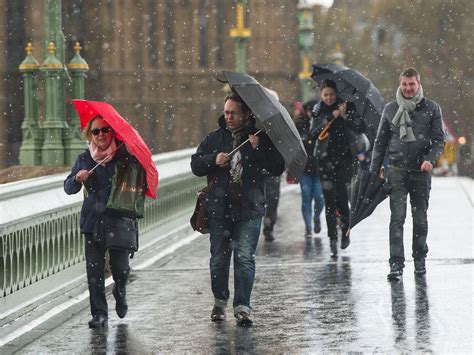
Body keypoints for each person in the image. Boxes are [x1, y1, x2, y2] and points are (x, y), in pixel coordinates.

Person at [191, 91, 285, 326]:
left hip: (249, 209)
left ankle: (243, 306)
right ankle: (220, 301)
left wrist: (258, 149)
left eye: (234, 113)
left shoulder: (261, 138)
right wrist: (214, 159)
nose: (229, 117)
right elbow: (195, 165)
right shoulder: (214, 139)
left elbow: (277, 168)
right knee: (218, 260)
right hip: (219, 210)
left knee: (244, 258)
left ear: (247, 114)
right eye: (226, 112)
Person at [370, 67, 445, 280]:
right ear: (400, 84)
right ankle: (396, 264)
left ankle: (420, 259)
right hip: (397, 171)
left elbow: (439, 139)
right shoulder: (390, 109)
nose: (408, 88)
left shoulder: (432, 108)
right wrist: (374, 171)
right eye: (404, 84)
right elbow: (380, 142)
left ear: (418, 84)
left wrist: (430, 159)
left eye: (412, 84)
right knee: (397, 218)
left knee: (420, 218)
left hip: (421, 173)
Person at [64, 116, 134, 328]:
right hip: (92, 222)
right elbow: (68, 188)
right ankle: (99, 314)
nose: (101, 134)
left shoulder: (123, 156)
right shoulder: (84, 159)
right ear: (90, 135)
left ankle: (120, 290)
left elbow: (136, 180)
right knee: (94, 272)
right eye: (96, 132)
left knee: (120, 269)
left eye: (105, 130)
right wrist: (77, 178)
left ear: (112, 132)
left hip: (118, 220)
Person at [310, 79, 366, 257]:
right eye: (325, 95)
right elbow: (313, 134)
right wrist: (329, 117)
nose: (328, 98)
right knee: (329, 202)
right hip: (324, 160)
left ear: (337, 94)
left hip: (345, 160)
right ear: (321, 95)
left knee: (342, 199)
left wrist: (345, 117)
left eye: (331, 94)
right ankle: (332, 238)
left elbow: (360, 128)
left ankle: (345, 232)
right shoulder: (318, 110)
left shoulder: (348, 107)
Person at [293, 100, 325, 239]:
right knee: (306, 196)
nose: (311, 114)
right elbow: (295, 146)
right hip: (304, 168)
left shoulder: (324, 124)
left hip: (320, 168)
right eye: (309, 111)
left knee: (319, 198)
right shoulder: (300, 125)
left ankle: (317, 216)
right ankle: (308, 228)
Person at [262, 175, 281, 241]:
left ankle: (268, 228)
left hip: (273, 174)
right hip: (258, 174)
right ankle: (268, 228)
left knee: (272, 204)